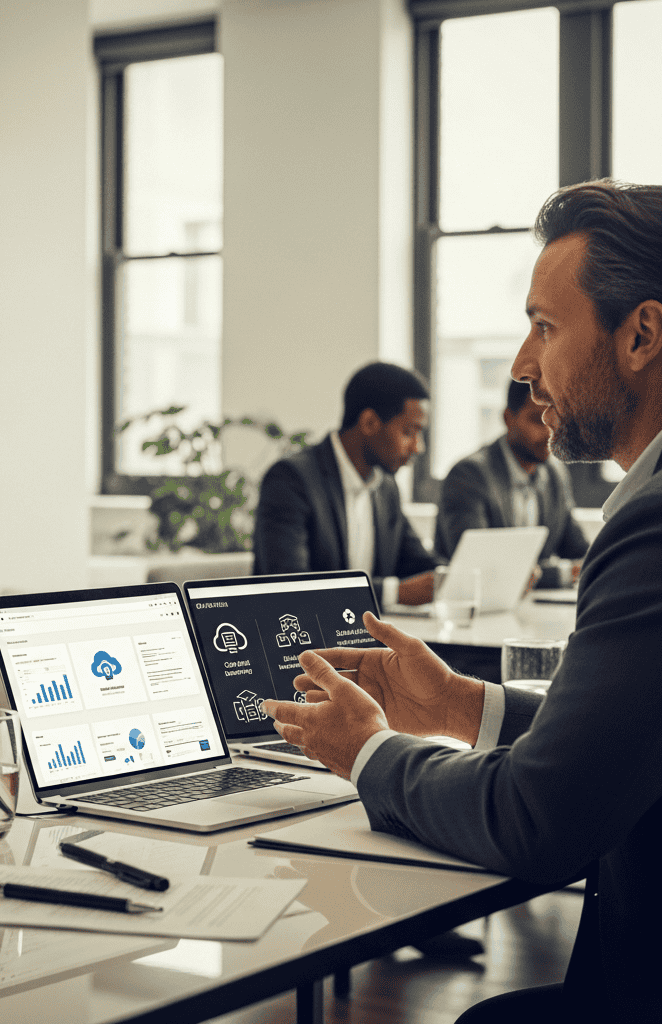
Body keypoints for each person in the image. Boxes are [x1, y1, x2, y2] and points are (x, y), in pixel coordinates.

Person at [263, 179, 662, 1022]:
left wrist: (367, 752)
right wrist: (458, 702)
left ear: (643, 334)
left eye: (544, 328)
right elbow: (624, 742)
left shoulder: (653, 522)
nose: (523, 365)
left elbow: (536, 818)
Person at [252, 361, 441, 609]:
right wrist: (393, 593)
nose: (418, 447)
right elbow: (291, 585)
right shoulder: (291, 480)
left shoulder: (385, 488)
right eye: (409, 432)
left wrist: (455, 574)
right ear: (369, 422)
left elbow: (419, 564)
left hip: (365, 641)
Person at [435, 379, 588, 585]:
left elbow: (580, 550)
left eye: (556, 421)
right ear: (508, 418)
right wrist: (563, 574)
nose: (549, 433)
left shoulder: (555, 474)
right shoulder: (469, 475)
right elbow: (477, 566)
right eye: (537, 420)